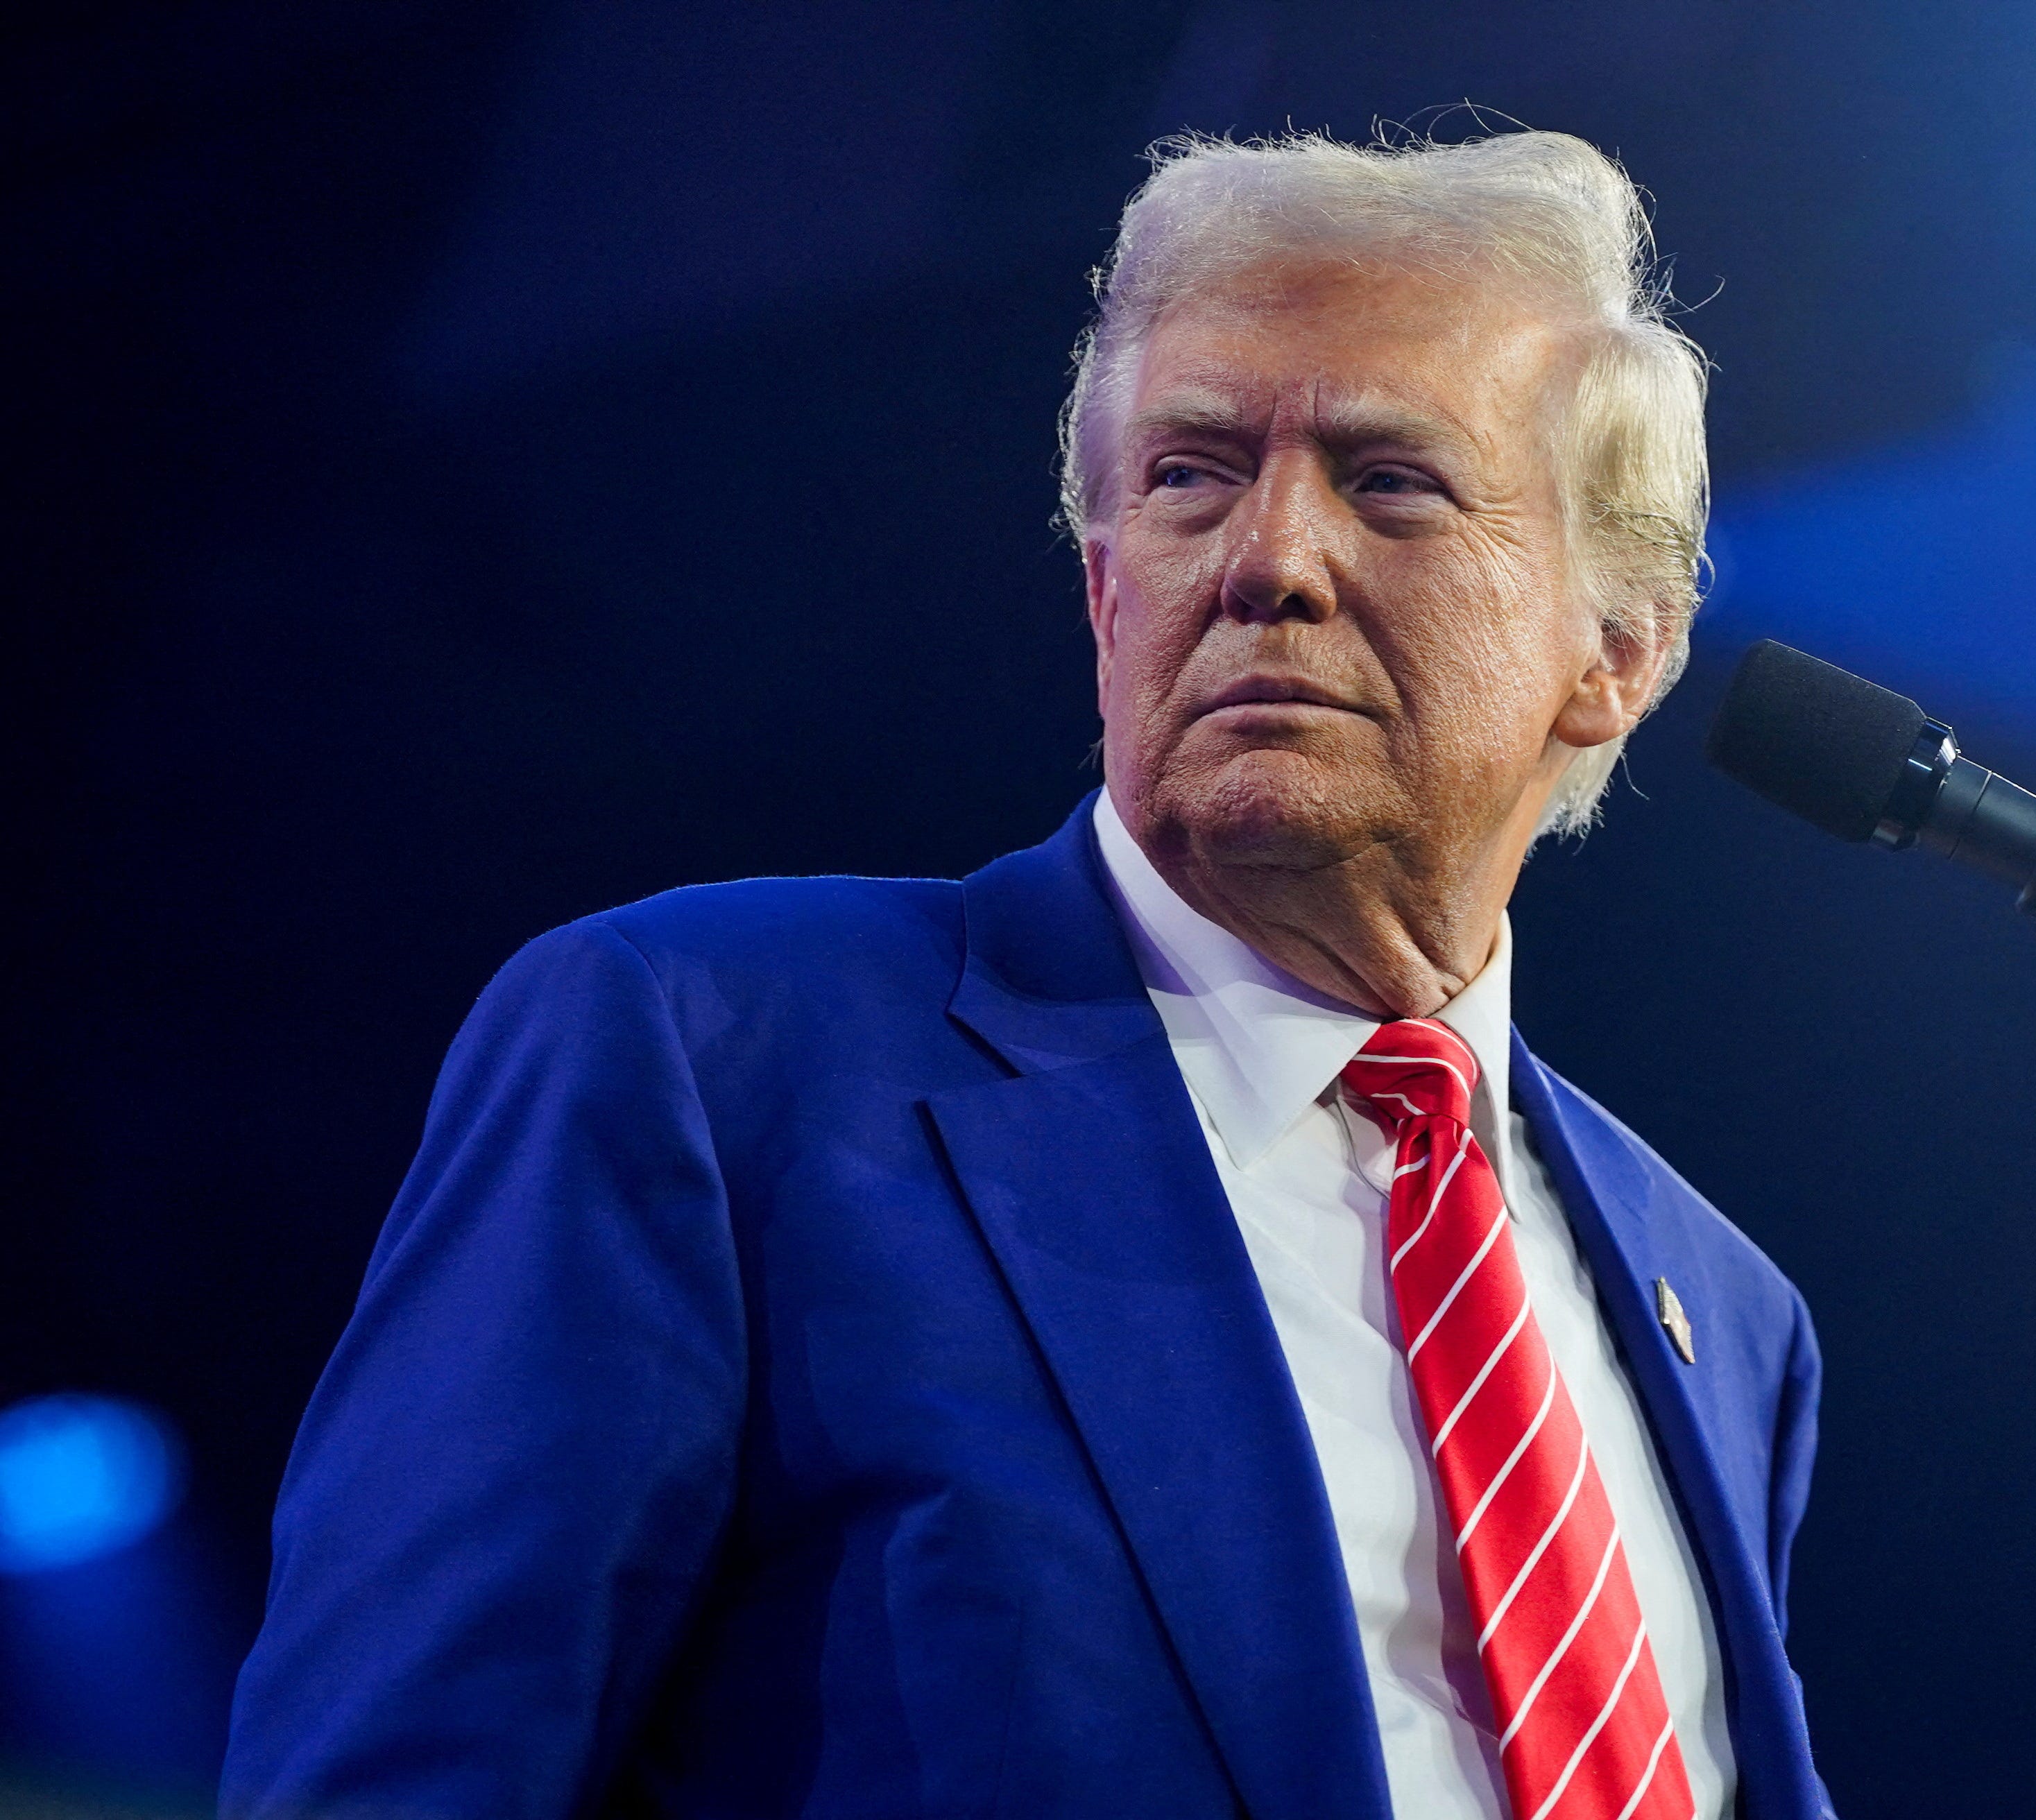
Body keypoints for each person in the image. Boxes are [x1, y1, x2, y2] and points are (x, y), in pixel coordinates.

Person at [222, 128, 1835, 1820]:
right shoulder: (713, 1051)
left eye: (1390, 480)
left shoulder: (1720, 1311)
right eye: (1190, 475)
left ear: (1619, 651)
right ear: (1103, 585)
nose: (1266, 559)